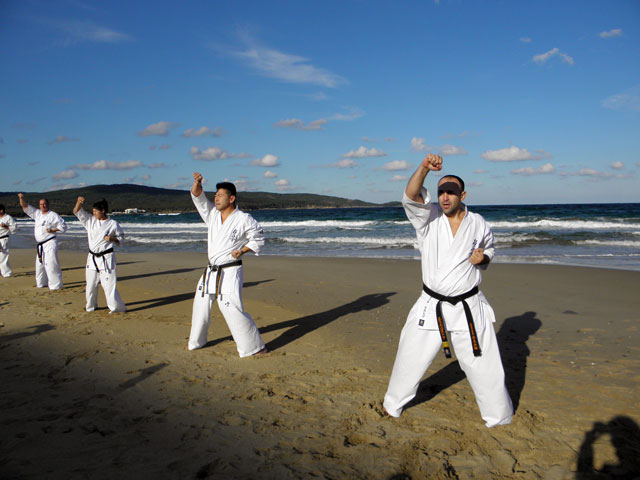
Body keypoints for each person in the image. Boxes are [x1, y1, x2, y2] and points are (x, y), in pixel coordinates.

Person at [383, 154, 513, 428]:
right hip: (432, 304)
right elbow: (411, 195)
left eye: (451, 192)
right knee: (410, 357)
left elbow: (489, 248)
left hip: (469, 305)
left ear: (462, 195)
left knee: (484, 364)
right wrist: (423, 168)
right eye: (441, 192)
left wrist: (483, 258)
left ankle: (499, 416)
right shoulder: (427, 219)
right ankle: (392, 406)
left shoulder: (478, 222)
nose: (444, 197)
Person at [187, 172, 267, 357]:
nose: (216, 198)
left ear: (231, 199)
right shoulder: (212, 215)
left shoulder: (244, 218)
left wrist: (243, 250)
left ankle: (255, 347)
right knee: (200, 305)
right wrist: (197, 183)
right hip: (211, 270)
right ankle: (196, 342)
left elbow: (258, 238)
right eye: (215, 195)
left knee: (230, 308)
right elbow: (198, 197)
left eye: (220, 195)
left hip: (230, 270)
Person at [73, 197, 126, 313]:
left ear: (103, 210)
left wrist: (112, 239)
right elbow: (77, 211)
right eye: (93, 211)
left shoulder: (113, 224)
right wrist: (79, 202)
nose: (94, 213)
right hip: (92, 258)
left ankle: (116, 308)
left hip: (106, 258)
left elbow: (121, 240)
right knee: (90, 285)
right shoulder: (90, 221)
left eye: (96, 211)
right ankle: (91, 306)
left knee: (108, 285)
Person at [18, 194, 67, 290]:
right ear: (39, 205)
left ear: (48, 204)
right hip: (41, 245)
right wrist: (21, 198)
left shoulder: (53, 215)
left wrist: (53, 230)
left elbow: (64, 226)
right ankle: (41, 283)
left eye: (44, 204)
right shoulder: (37, 214)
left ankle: (56, 285)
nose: (43, 206)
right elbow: (25, 206)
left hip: (50, 242)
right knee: (40, 265)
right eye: (41, 204)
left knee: (51, 264)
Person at [0, 204, 18, 277]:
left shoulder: (8, 218)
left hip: (4, 238)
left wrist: (6, 226)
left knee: (3, 256)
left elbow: (15, 228)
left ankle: (7, 273)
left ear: (1, 210)